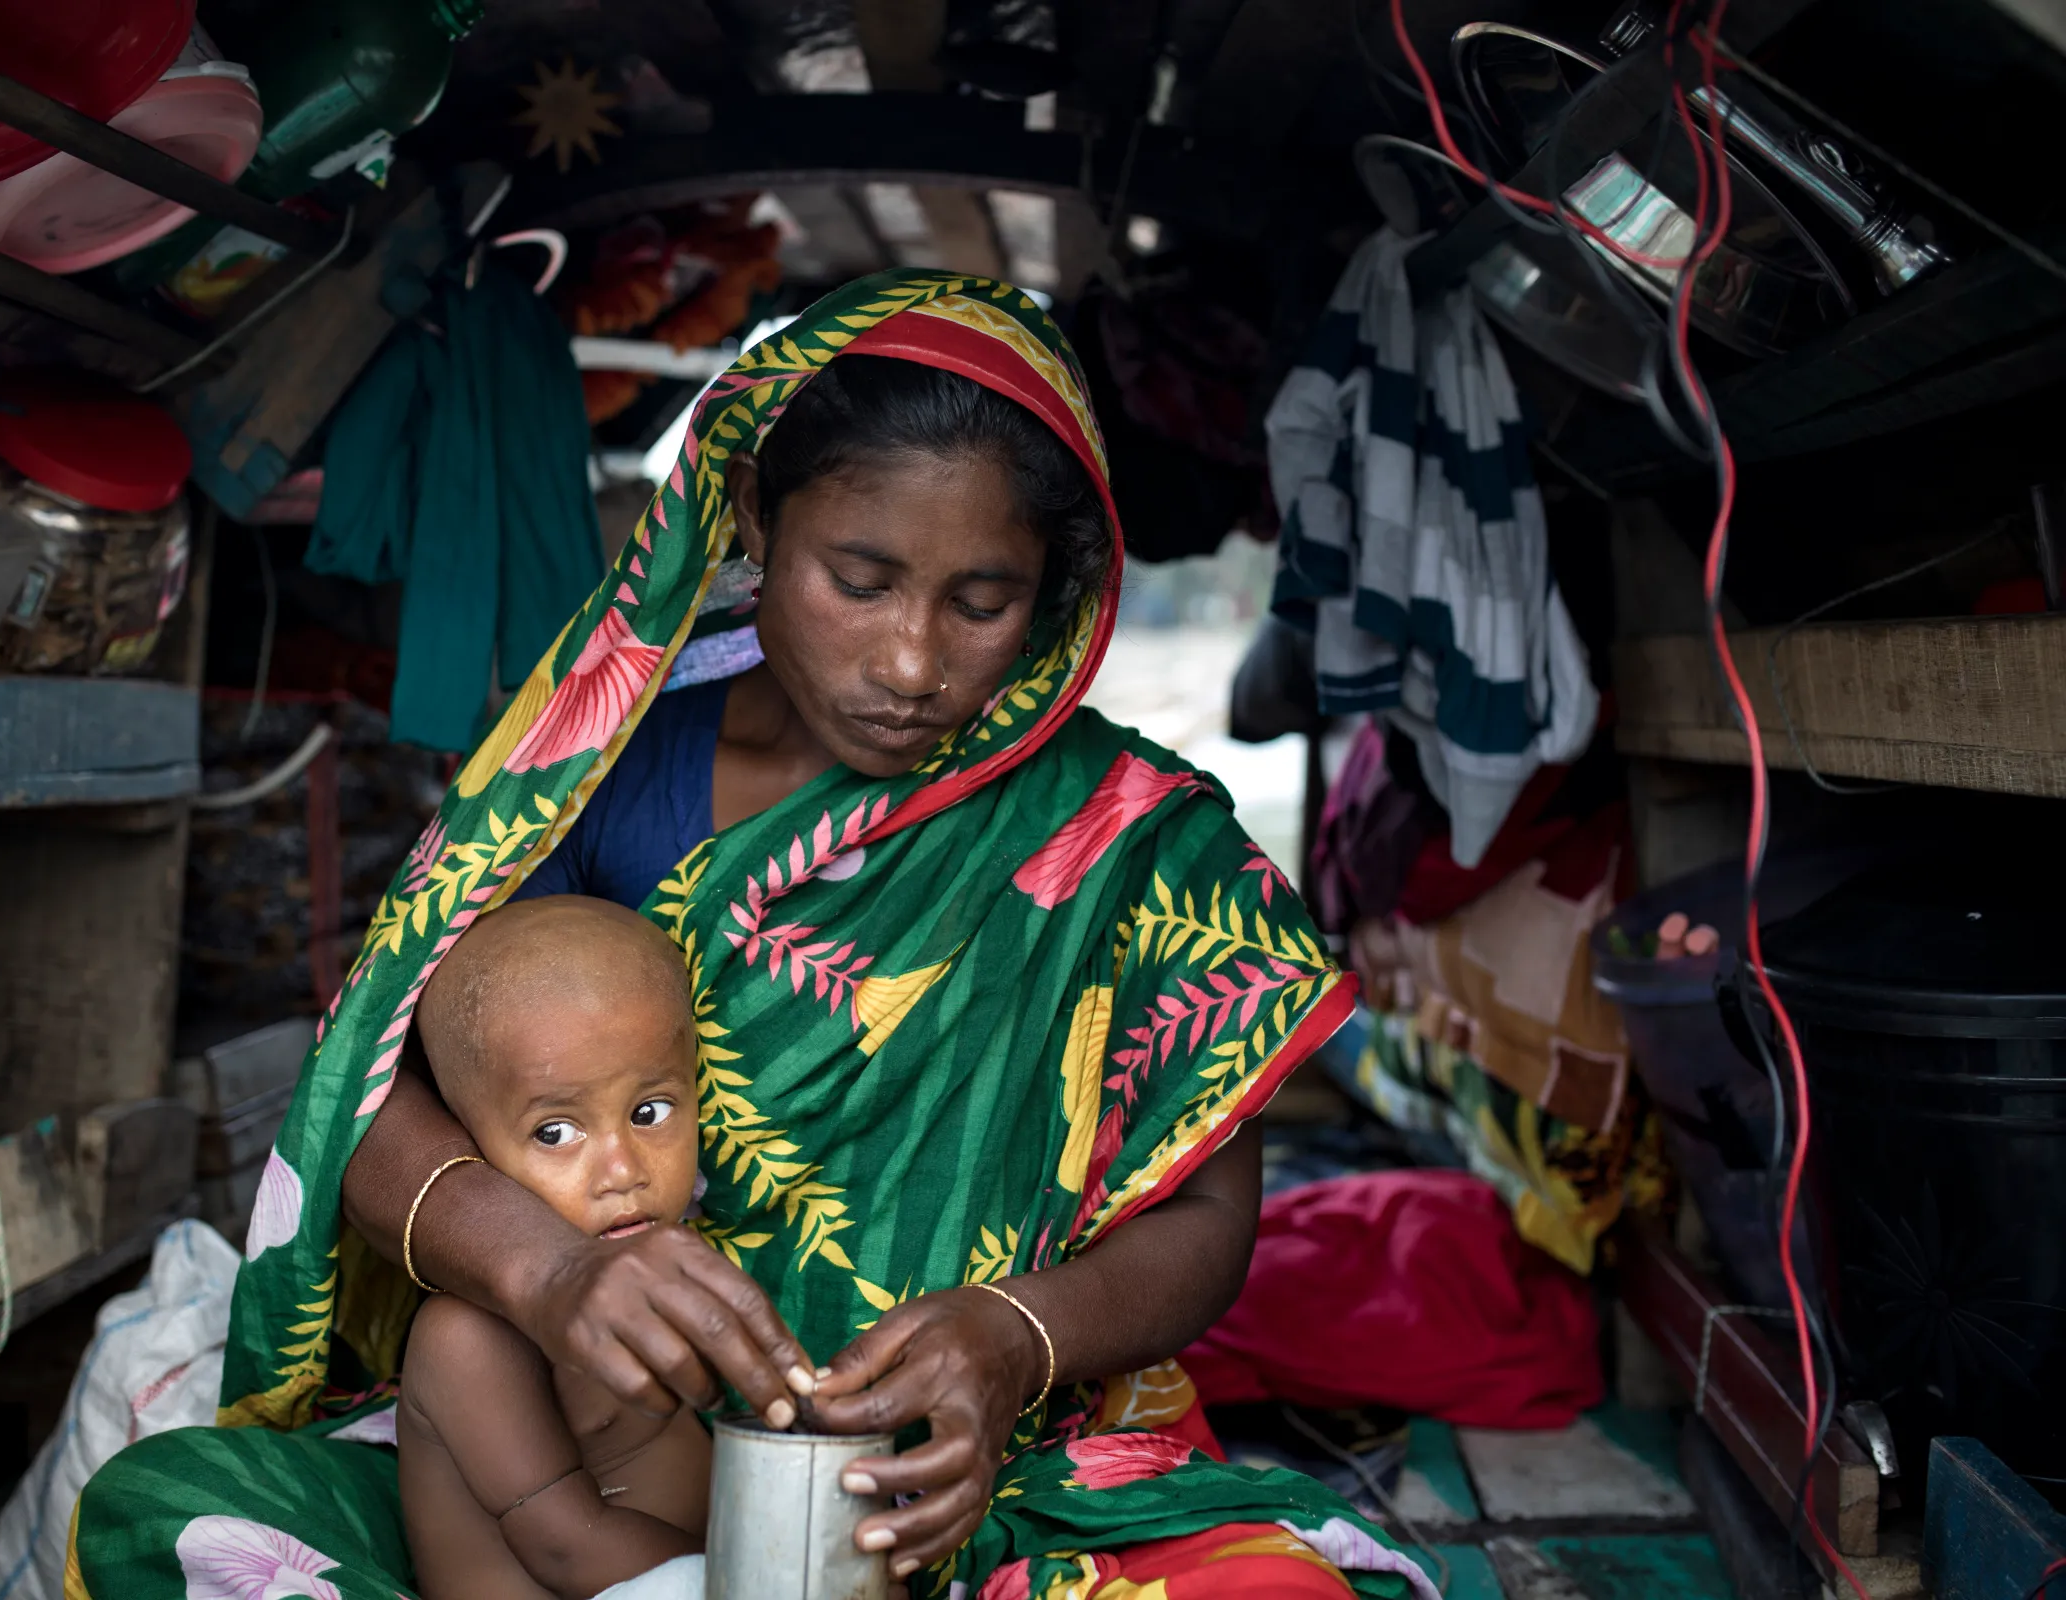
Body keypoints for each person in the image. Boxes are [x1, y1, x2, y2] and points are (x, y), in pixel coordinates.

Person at [71, 272, 1438, 1600]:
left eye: (980, 602)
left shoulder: (1134, 841)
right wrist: (552, 1279)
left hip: (1003, 1453)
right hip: (604, 1448)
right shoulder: (592, 772)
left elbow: (1212, 1217)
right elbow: (370, 1098)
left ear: (1058, 596)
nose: (911, 664)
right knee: (182, 1522)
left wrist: (1016, 1337)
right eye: (861, 578)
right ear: (754, 528)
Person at [400, 896, 711, 1600]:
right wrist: (769, 1574)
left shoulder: (676, 1256)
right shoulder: (469, 1340)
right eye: (555, 1133)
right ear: (470, 1146)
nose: (623, 1170)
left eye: (649, 1113)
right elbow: (567, 1547)